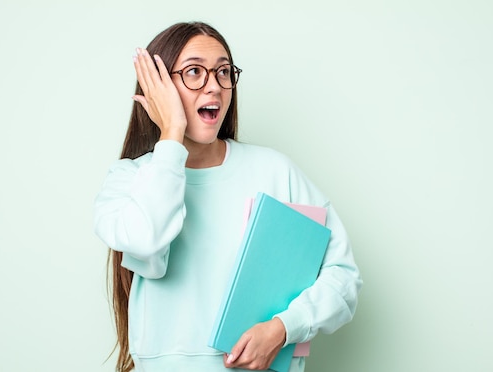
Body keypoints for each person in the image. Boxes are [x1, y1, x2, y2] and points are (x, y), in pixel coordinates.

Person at [94, 21, 362, 372]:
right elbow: (147, 240)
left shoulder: (275, 172)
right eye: (194, 72)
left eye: (224, 72)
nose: (215, 86)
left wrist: (283, 328)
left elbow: (343, 275)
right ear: (159, 89)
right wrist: (171, 132)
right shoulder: (129, 179)